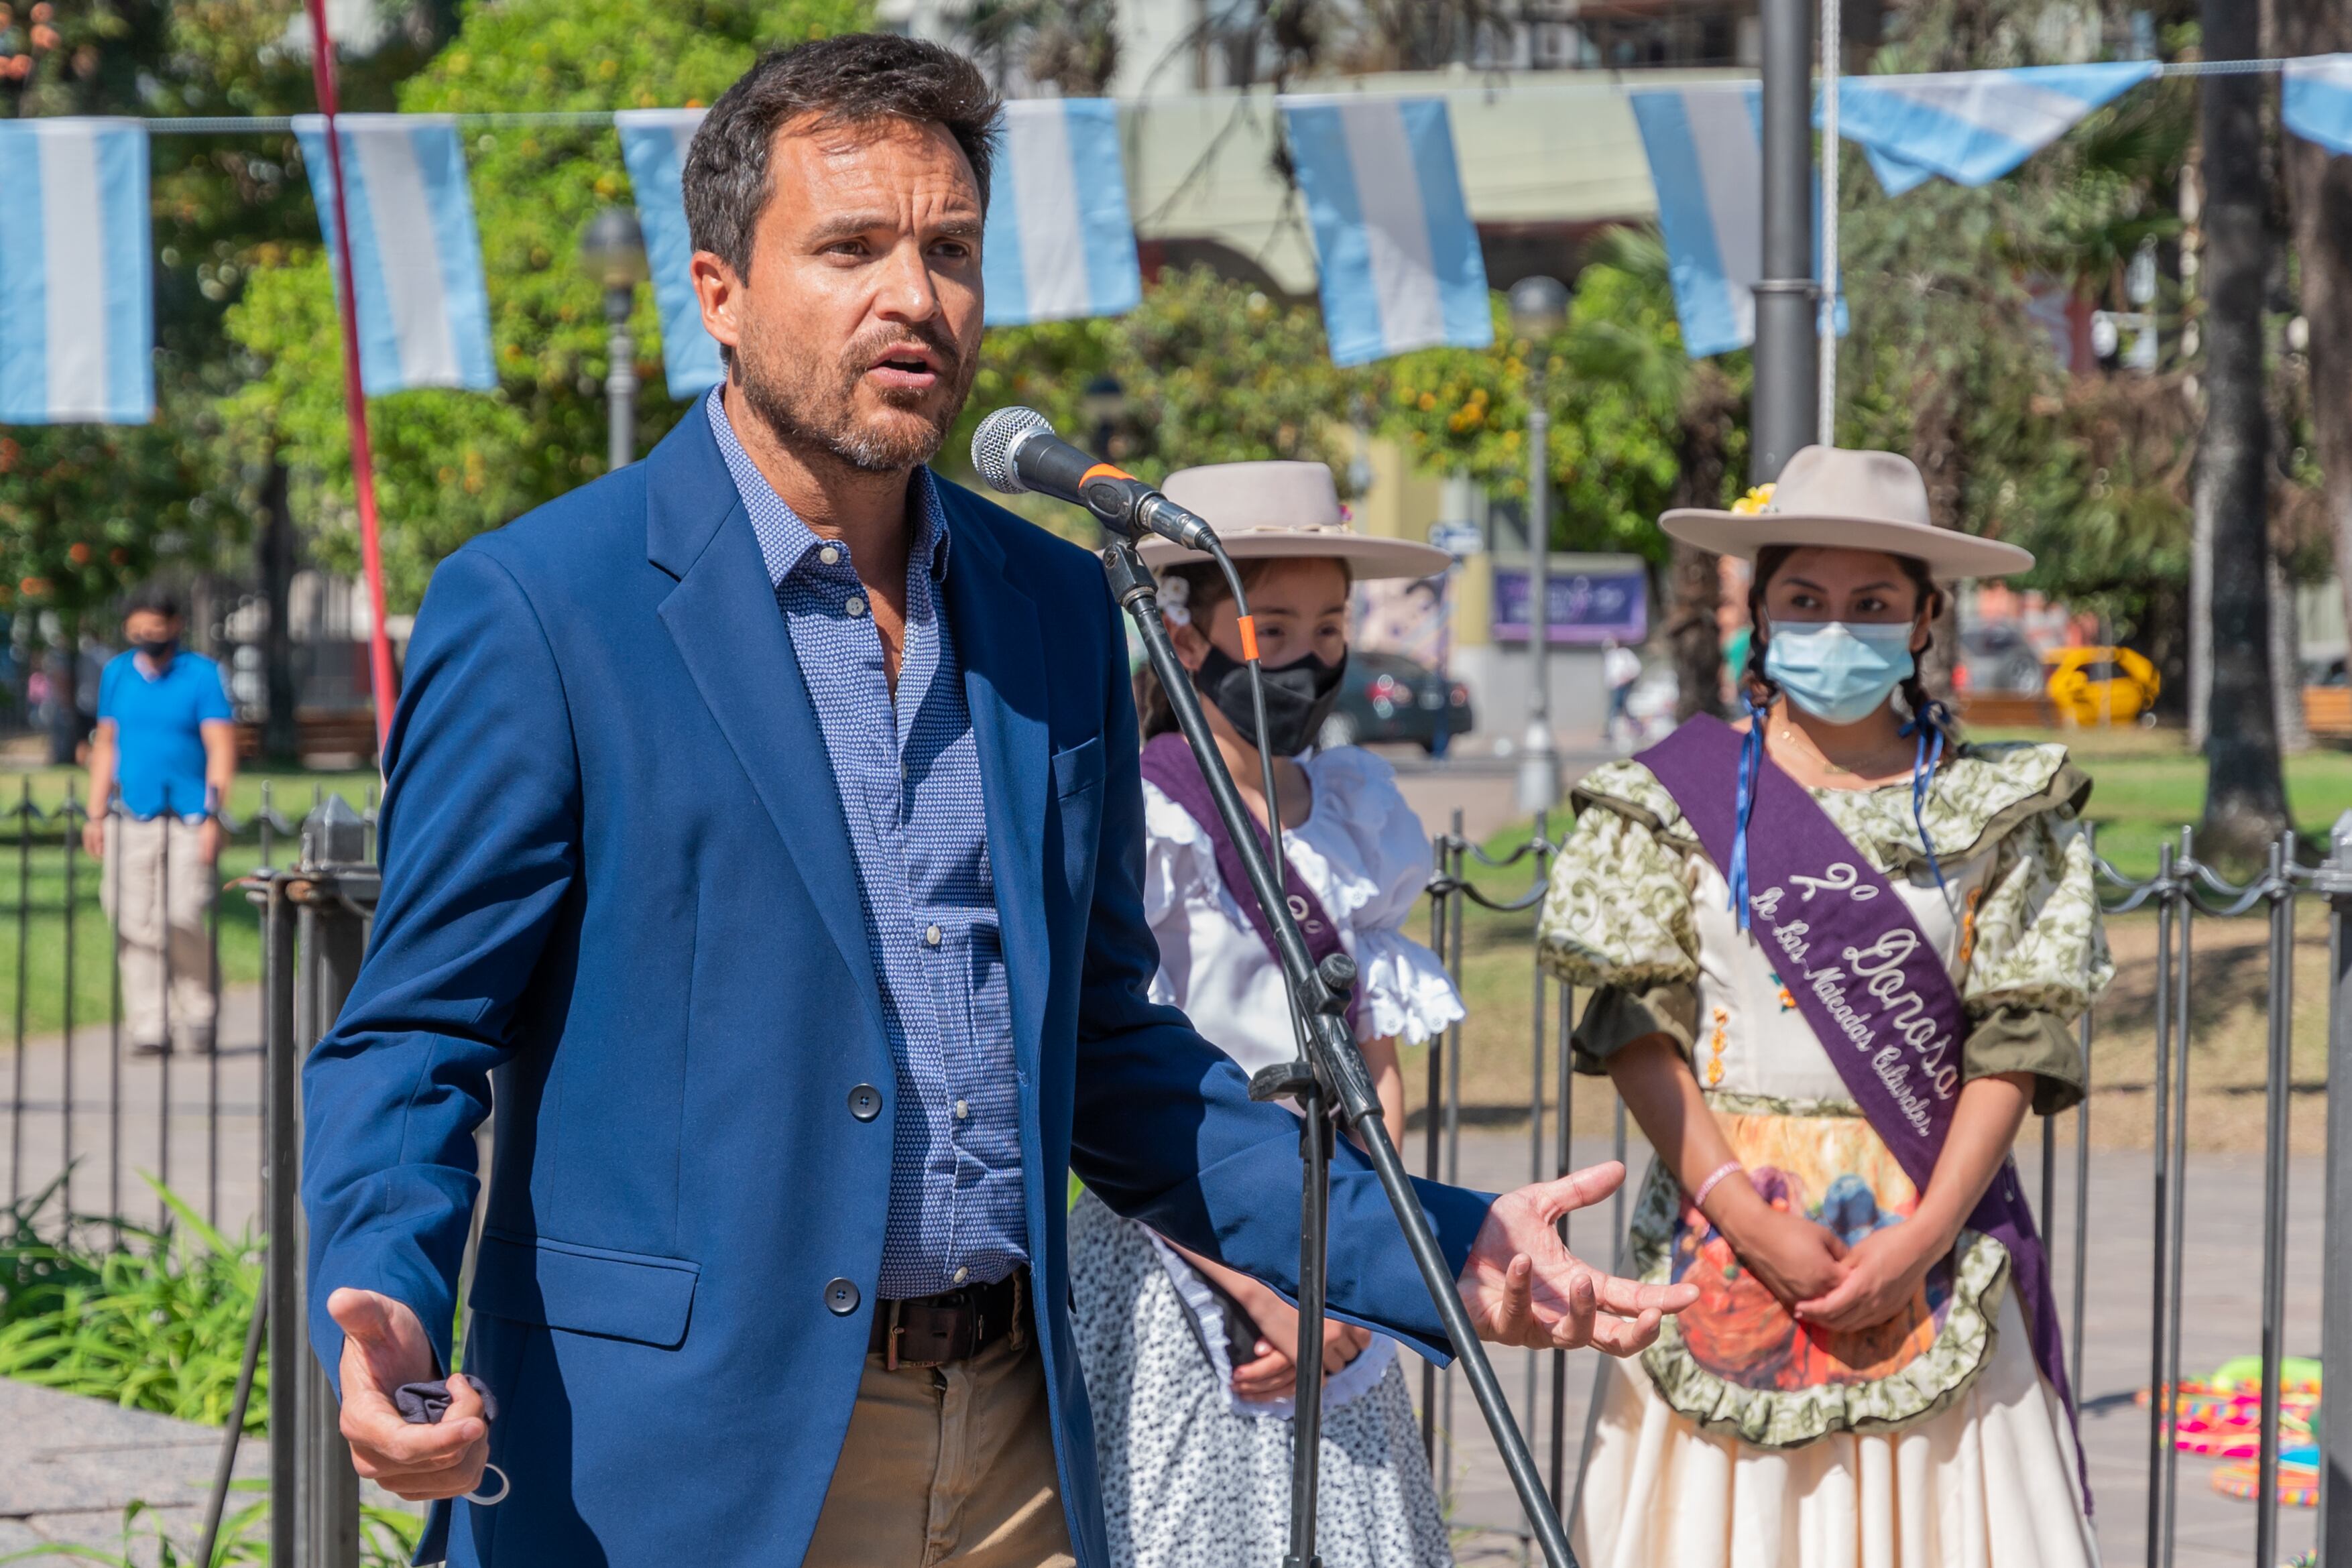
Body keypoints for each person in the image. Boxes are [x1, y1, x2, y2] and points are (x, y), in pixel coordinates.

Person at [298, 36, 1694, 1568]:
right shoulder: (544, 607)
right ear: (717, 292)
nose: (915, 295)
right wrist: (383, 1280)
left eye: (950, 250)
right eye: (850, 247)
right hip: (685, 1461)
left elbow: (1114, 1057)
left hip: (1017, 1448)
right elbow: (416, 1030)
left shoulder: (1045, 603)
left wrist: (1430, 1245)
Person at [1535, 447, 2111, 1568]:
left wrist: (1924, 1234)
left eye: (1870, 603)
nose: (1833, 628)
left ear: (1923, 618)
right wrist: (1741, 1216)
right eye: (1803, 600)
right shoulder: (1669, 800)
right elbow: (1634, 1027)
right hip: (1727, 1216)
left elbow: (2016, 1039)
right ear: (1760, 612)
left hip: (1927, 1216)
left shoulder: (1997, 809)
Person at [1065, 461, 1462, 1568]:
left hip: (1333, 1240)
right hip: (1181, 1247)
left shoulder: (1348, 809)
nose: (1309, 655)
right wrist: (1264, 1283)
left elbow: (1375, 1065)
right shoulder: (1143, 812)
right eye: (1271, 624)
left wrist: (1350, 1260)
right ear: (1185, 634)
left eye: (1328, 624)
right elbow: (1121, 1076)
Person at [82, 587, 236, 1057]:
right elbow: (107, 744)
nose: (148, 639)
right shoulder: (118, 674)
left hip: (188, 813)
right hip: (133, 813)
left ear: (174, 626)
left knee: (181, 912)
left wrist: (214, 813)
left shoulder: (200, 675)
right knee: (133, 920)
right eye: (139, 632)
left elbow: (221, 747)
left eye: (156, 630)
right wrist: (95, 811)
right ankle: (150, 1023)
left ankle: (200, 1006)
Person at [1602, 637, 1641, 745]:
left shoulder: (1625, 654)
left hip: (1623, 686)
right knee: (1617, 708)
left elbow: (1635, 668)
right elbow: (1610, 673)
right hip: (1615, 687)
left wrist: (1626, 678)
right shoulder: (1611, 656)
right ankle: (1612, 731)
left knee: (1619, 708)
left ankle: (1636, 728)